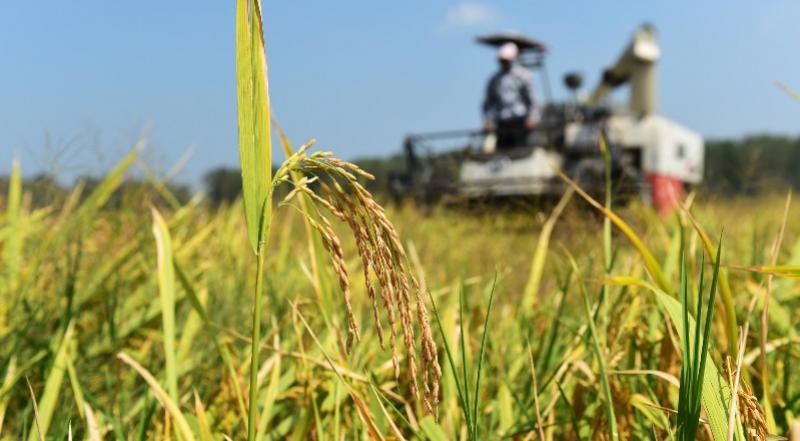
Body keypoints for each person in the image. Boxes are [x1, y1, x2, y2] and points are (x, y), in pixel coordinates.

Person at [482, 42, 539, 150]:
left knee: (521, 153)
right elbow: (488, 103)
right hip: (501, 124)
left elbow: (533, 100)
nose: (503, 63)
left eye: (506, 60)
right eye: (502, 60)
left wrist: (532, 119)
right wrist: (488, 121)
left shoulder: (523, 76)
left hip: (520, 123)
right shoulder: (494, 79)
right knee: (503, 154)